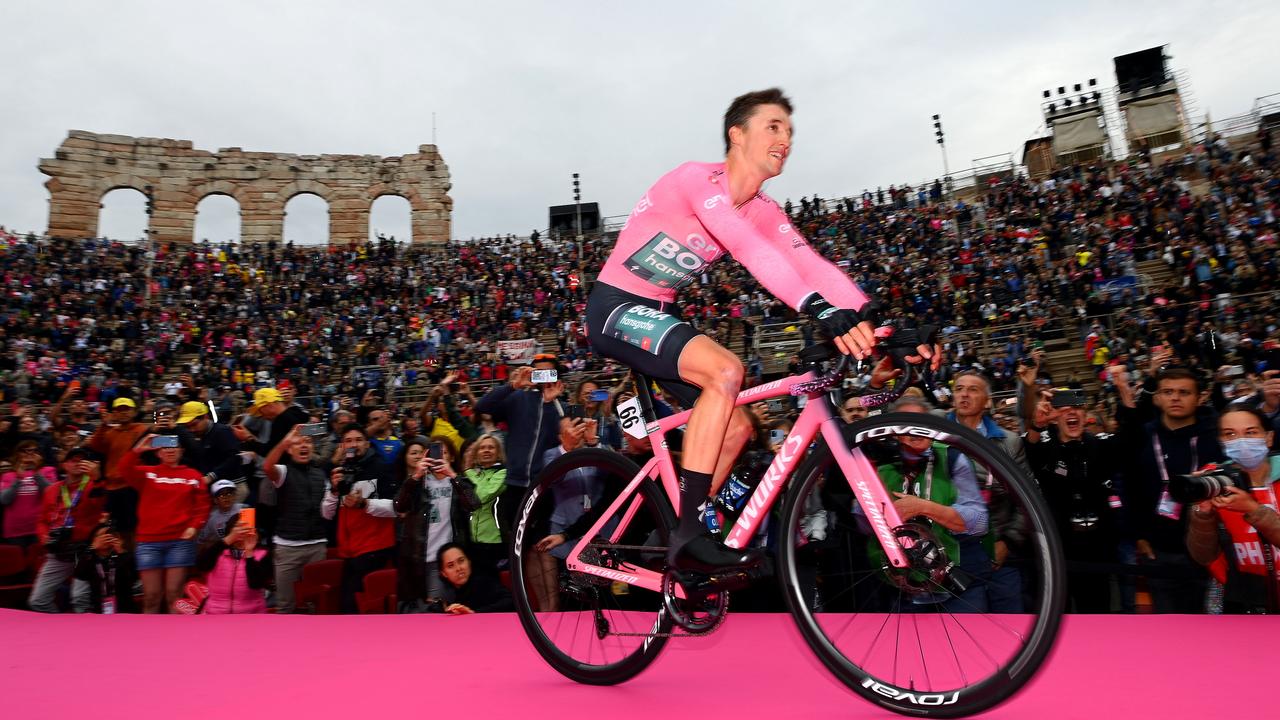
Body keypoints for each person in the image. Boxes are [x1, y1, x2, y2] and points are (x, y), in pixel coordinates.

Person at [585, 88, 934, 574]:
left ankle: (669, 532)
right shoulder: (696, 179)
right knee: (726, 370)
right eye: (773, 126)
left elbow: (812, 266)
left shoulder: (764, 209)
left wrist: (883, 323)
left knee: (738, 428)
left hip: (658, 312)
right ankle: (689, 536)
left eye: (790, 130)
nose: (786, 138)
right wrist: (817, 309)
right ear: (737, 134)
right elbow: (749, 249)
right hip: (616, 308)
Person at [862, 397, 989, 612]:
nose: (913, 430)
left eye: (918, 423)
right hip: (900, 587)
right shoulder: (880, 466)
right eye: (905, 424)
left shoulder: (951, 457)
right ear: (893, 432)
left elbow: (979, 522)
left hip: (956, 584)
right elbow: (862, 523)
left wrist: (924, 507)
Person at [1116, 364, 1223, 612]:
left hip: (1210, 550)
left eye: (1184, 392)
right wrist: (1138, 535)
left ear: (1199, 397)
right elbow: (1129, 485)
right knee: (1169, 624)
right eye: (1168, 392)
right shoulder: (1142, 435)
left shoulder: (1215, 435)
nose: (1175, 397)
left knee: (1213, 625)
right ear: (1158, 398)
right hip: (1157, 548)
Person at [1023, 387, 1123, 612]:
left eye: (1077, 407)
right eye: (1063, 408)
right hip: (1059, 551)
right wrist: (1037, 424)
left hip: (1097, 551)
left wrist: (1124, 392)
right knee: (1060, 619)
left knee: (1099, 617)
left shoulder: (1100, 445)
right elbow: (1029, 449)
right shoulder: (1046, 449)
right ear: (1054, 416)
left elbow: (1133, 440)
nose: (1071, 412)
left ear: (1085, 414)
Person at [1186, 407, 1280, 613]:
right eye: (1230, 434)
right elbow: (1202, 556)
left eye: (1251, 432)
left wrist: (1253, 509)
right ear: (1221, 441)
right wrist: (1203, 515)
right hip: (1243, 598)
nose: (1241, 441)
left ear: (1269, 437)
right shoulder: (1214, 482)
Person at [474, 354, 569, 541]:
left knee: (542, 544)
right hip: (514, 484)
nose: (542, 376)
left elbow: (567, 438)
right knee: (515, 543)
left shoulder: (561, 406)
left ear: (556, 376)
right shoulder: (517, 397)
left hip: (544, 486)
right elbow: (482, 407)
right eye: (537, 372)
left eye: (547, 372)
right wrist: (513, 386)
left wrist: (553, 403)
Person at [120, 433, 211, 613]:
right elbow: (124, 469)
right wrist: (138, 449)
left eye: (174, 446)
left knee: (173, 594)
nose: (170, 450)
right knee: (151, 596)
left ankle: (174, 638)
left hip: (179, 542)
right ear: (157, 452)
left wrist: (194, 526)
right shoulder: (147, 473)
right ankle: (149, 638)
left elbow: (203, 506)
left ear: (181, 451)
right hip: (148, 542)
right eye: (165, 447)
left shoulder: (193, 476)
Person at [322, 424, 398, 614]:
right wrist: (333, 489)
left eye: (358, 440)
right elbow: (326, 513)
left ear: (367, 443)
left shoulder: (381, 467)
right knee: (347, 606)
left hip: (375, 548)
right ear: (341, 446)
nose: (353, 444)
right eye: (348, 441)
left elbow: (397, 508)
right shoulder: (339, 471)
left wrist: (364, 503)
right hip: (349, 551)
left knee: (356, 606)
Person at [394, 438, 477, 612]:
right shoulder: (418, 482)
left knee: (441, 609)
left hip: (448, 559)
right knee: (425, 610)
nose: (440, 457)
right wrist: (415, 476)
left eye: (444, 453)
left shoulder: (457, 482)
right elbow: (399, 506)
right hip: (418, 556)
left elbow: (473, 503)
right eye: (435, 453)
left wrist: (453, 475)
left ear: (452, 458)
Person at [28, 448, 107, 613]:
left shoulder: (95, 485)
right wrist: (45, 539)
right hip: (59, 550)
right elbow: (42, 520)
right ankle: (59, 632)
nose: (78, 463)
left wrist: (98, 477)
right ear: (64, 465)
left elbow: (102, 504)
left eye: (82, 460)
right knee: (38, 600)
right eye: (73, 460)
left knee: (80, 599)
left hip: (86, 552)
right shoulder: (52, 489)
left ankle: (86, 634)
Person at [262, 426, 330, 613]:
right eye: (298, 443)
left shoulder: (321, 475)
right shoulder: (283, 472)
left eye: (307, 442)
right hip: (287, 548)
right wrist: (283, 443)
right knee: (285, 605)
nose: (303, 446)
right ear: (289, 450)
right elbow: (267, 467)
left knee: (316, 603)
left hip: (317, 545)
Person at [193, 511, 272, 614]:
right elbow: (201, 565)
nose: (241, 533)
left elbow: (256, 584)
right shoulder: (217, 550)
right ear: (230, 530)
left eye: (246, 529)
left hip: (251, 615)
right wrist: (228, 540)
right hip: (215, 614)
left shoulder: (263, 554)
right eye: (238, 529)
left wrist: (249, 553)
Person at [461, 434, 508, 576]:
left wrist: (468, 471)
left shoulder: (503, 473)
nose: (486, 450)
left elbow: (481, 496)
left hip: (494, 541)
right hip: (473, 541)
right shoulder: (476, 474)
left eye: (491, 447)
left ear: (499, 453)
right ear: (476, 454)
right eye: (482, 448)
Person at [1, 440, 58, 547]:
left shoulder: (48, 470)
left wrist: (37, 473)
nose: (29, 453)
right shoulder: (8, 475)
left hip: (40, 528)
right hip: (14, 530)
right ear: (17, 454)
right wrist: (18, 478)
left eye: (34, 450)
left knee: (39, 562)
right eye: (25, 451)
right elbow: (4, 500)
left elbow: (52, 494)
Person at [437, 542, 514, 614]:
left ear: (469, 561)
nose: (458, 568)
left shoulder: (483, 582)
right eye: (450, 565)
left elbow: (510, 601)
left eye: (461, 561)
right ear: (444, 573)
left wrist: (474, 613)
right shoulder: (450, 594)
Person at [197, 480, 245, 544]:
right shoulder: (211, 519)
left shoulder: (244, 509)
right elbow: (201, 540)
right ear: (215, 500)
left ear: (234, 496)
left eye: (229, 494)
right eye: (221, 495)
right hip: (225, 549)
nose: (226, 498)